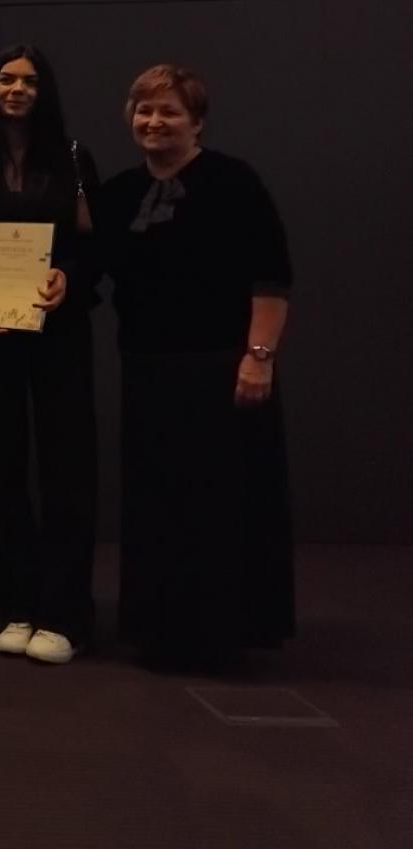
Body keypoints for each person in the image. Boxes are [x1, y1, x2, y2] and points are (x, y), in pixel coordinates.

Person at [95, 64, 293, 669]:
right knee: (158, 506)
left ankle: (223, 635)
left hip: (222, 371)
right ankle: (161, 632)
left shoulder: (235, 182)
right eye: (144, 111)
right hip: (149, 371)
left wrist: (258, 358)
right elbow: (84, 264)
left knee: (222, 506)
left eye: (170, 112)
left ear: (197, 121)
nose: (154, 122)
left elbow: (271, 278)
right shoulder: (120, 193)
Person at [0, 47, 98, 664]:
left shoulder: (74, 157)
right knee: (3, 473)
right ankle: (19, 607)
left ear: (44, 91)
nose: (17, 89)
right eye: (6, 79)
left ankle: (65, 615)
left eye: (30, 81)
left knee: (67, 472)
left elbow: (93, 246)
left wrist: (69, 277)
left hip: (59, 333)